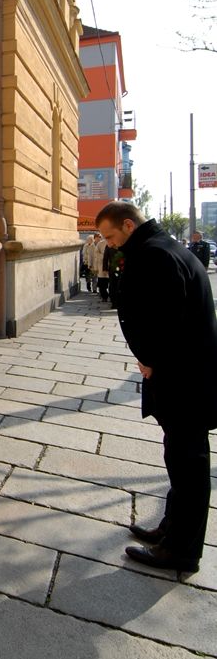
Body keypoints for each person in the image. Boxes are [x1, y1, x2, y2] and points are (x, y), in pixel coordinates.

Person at [96, 201, 217, 573]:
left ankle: (181, 550)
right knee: (179, 458)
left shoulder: (156, 255)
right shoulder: (161, 248)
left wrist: (151, 359)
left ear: (129, 225)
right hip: (185, 375)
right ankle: (171, 530)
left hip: (182, 378)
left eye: (111, 236)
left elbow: (166, 320)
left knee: (187, 463)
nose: (110, 244)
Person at [92, 231, 109, 302]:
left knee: (112, 284)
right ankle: (104, 296)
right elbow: (96, 256)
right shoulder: (100, 244)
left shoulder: (113, 242)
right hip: (101, 267)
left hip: (111, 267)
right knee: (102, 284)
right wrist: (95, 268)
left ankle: (111, 296)